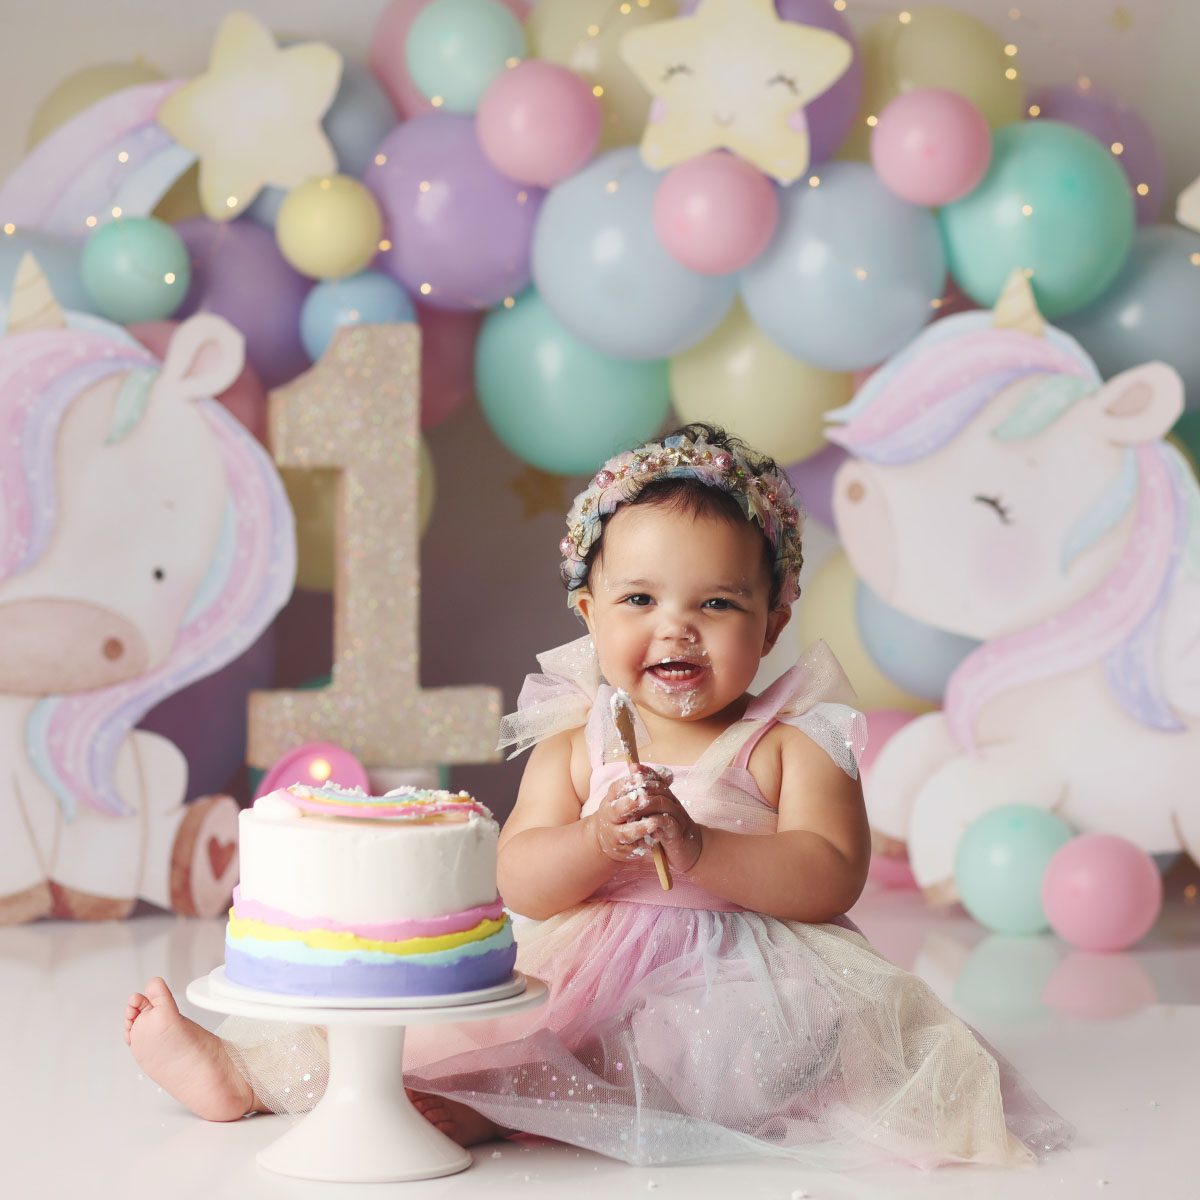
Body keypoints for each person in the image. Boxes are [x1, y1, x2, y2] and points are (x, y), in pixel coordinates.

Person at [125, 423, 1072, 1170]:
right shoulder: (579, 738)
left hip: (747, 984)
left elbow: (830, 876)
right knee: (454, 1036)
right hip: (589, 962)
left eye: (717, 604)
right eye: (640, 601)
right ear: (587, 608)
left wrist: (701, 849)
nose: (678, 630)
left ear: (775, 617)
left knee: (697, 1068)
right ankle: (249, 1073)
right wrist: (595, 844)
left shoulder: (790, 740)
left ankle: (484, 1109)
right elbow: (523, 877)